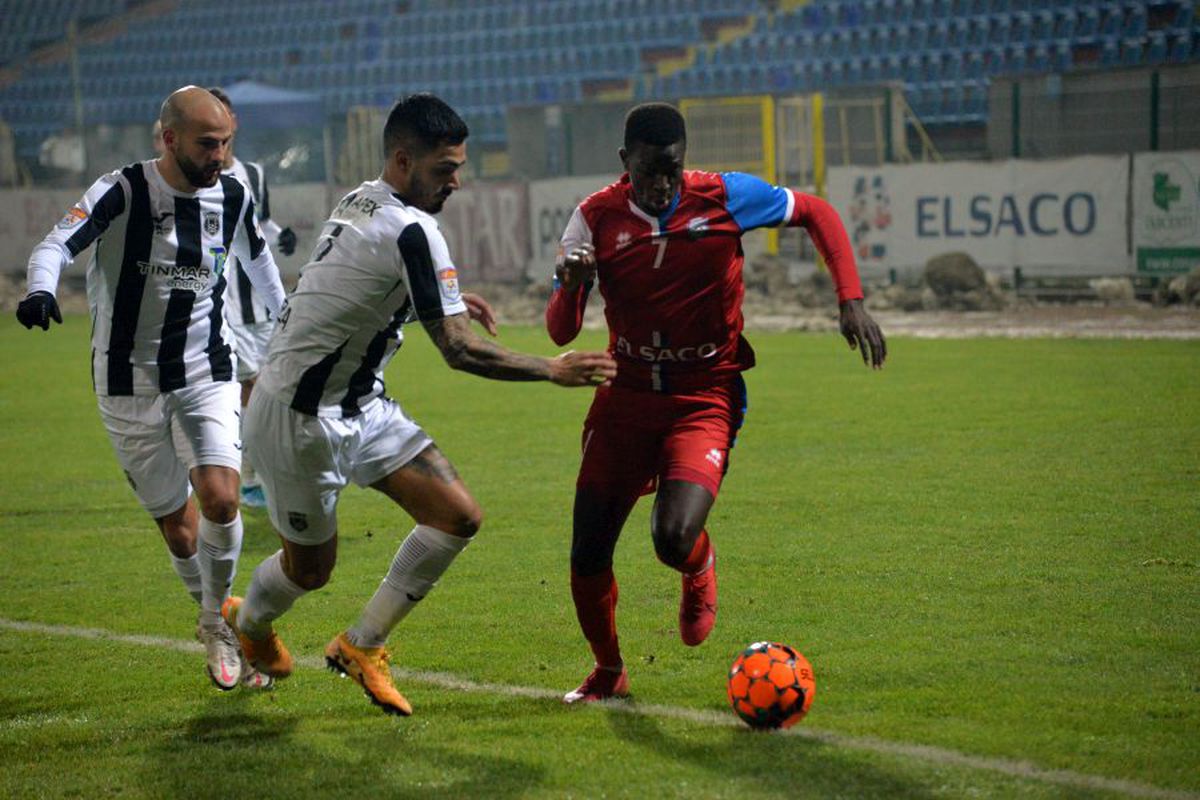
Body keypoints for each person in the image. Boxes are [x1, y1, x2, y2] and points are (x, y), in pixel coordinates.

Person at [221, 93, 616, 716]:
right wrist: (553, 368)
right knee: (311, 570)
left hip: (360, 404)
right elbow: (459, 351)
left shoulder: (365, 197)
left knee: (457, 515)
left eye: (459, 166)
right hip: (296, 417)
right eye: (443, 170)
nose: (456, 182)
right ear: (403, 161)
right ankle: (250, 622)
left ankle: (362, 644)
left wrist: (443, 296)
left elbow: (358, 280)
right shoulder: (410, 228)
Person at [546, 102, 887, 703]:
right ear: (625, 162)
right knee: (588, 552)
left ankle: (698, 569)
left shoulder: (724, 197)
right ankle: (609, 671)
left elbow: (817, 212)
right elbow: (560, 333)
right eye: (649, 170)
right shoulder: (593, 218)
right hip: (625, 398)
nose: (661, 184)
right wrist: (572, 287)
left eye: (671, 170)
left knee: (671, 539)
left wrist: (849, 297)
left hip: (703, 396)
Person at [15, 86, 287, 691]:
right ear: (168, 139)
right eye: (207, 143)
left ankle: (218, 625)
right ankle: (215, 617)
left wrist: (288, 320)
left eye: (226, 143)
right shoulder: (123, 190)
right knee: (180, 528)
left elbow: (259, 262)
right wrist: (41, 288)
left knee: (221, 499)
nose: (220, 155)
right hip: (125, 380)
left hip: (204, 369)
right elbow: (56, 242)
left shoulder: (234, 195)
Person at [207, 87, 298, 509]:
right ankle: (248, 476)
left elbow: (258, 224)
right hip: (225, 307)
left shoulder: (254, 174)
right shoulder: (197, 179)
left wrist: (283, 236)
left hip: (261, 304)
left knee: (268, 389)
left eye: (222, 118)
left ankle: (248, 473)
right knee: (251, 390)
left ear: (234, 122)